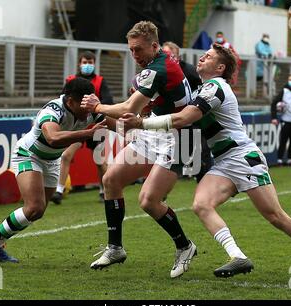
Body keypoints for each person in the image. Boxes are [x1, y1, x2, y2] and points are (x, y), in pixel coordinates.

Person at [120, 43, 291, 288]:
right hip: (225, 161)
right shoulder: (203, 88)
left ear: (220, 67)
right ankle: (238, 256)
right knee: (201, 204)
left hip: (243, 158)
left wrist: (141, 123)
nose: (202, 57)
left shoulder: (216, 87)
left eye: (210, 56)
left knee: (275, 216)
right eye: (204, 54)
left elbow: (184, 119)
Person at [81, 21, 197, 278]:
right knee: (110, 179)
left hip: (176, 139)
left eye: (138, 50)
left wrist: (97, 107)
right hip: (153, 132)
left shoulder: (157, 69)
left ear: (154, 46)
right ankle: (115, 248)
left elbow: (127, 110)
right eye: (131, 50)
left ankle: (185, 246)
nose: (134, 55)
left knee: (148, 200)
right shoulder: (162, 61)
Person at [0, 77, 110, 267]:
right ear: (70, 101)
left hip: (51, 160)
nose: (88, 111)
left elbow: (112, 122)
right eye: (84, 105)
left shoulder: (87, 108)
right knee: (33, 207)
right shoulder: (53, 110)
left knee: (38, 212)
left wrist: (141, 125)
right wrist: (88, 133)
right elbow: (53, 137)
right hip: (29, 155)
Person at [51, 51, 114, 204]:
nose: (88, 65)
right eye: (85, 62)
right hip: (77, 126)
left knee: (99, 161)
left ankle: (103, 191)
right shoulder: (71, 80)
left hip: (96, 125)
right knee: (66, 155)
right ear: (79, 63)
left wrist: (96, 106)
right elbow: (63, 99)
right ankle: (59, 190)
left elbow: (108, 101)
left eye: (90, 62)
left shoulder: (100, 81)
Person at [162, 41, 211, 183]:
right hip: (173, 119)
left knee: (200, 149)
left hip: (193, 117)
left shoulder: (189, 71)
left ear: (178, 56)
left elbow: (205, 88)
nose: (169, 58)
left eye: (171, 55)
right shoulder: (161, 72)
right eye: (165, 55)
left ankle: (204, 177)